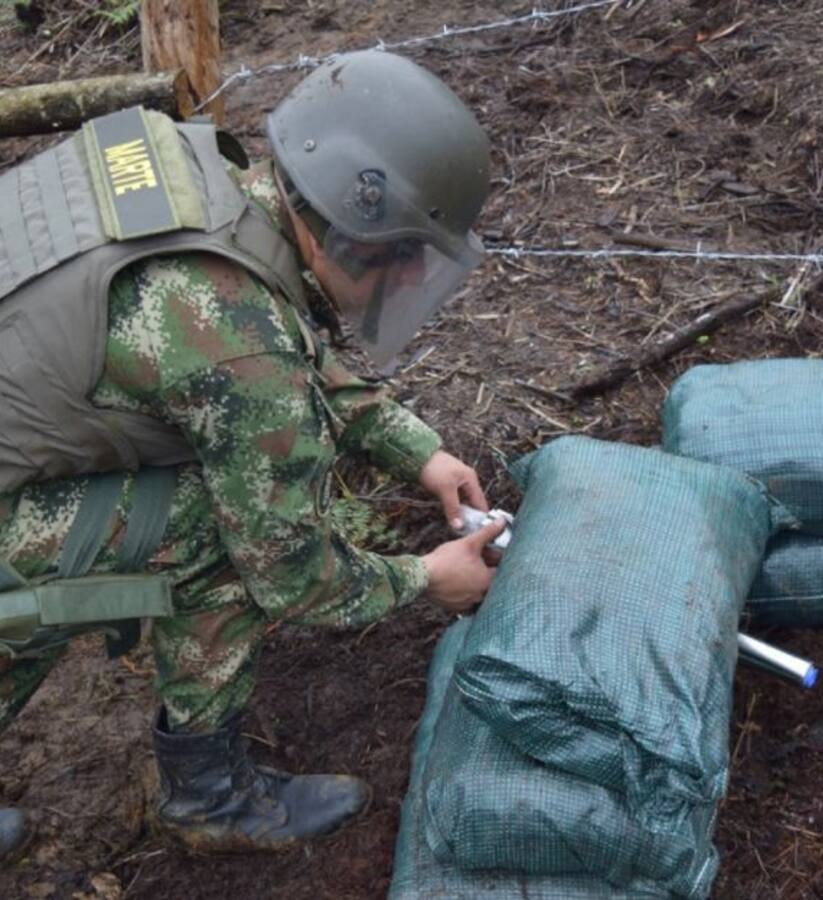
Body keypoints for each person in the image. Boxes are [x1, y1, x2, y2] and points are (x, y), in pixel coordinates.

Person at [0, 50, 506, 858]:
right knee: (221, 529)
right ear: (357, 231)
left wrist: (416, 450)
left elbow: (247, 335)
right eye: (408, 252)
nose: (413, 275)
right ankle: (210, 800)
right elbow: (293, 574)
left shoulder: (205, 181)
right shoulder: (242, 352)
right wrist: (426, 578)